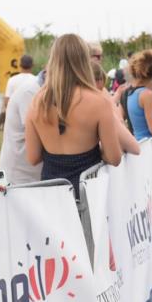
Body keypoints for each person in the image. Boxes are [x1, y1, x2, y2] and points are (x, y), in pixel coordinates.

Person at [25, 34, 124, 199]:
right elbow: (114, 158)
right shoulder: (98, 101)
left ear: (53, 61)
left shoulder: (37, 102)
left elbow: (33, 157)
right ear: (85, 60)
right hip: (88, 195)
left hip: (52, 194)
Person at [0, 67, 45, 186]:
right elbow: (40, 135)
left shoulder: (38, 89)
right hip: (18, 178)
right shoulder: (30, 92)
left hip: (31, 175)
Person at [2, 54, 36, 124]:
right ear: (33, 65)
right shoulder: (37, 80)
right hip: (32, 119)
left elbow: (7, 102)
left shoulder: (12, 80)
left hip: (15, 119)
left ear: (20, 65)